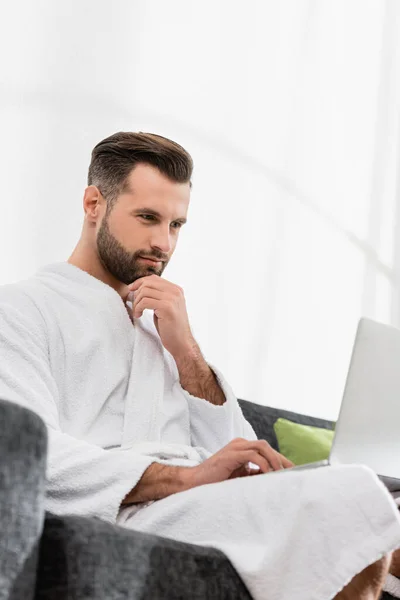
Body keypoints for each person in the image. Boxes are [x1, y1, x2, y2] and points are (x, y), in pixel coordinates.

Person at [1, 131, 400, 600]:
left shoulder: (161, 325)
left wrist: (187, 351)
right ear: (94, 204)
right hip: (129, 504)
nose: (162, 243)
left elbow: (238, 446)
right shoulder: (24, 308)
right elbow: (32, 453)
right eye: (148, 217)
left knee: (387, 509)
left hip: (200, 500)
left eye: (176, 225)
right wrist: (185, 477)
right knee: (350, 496)